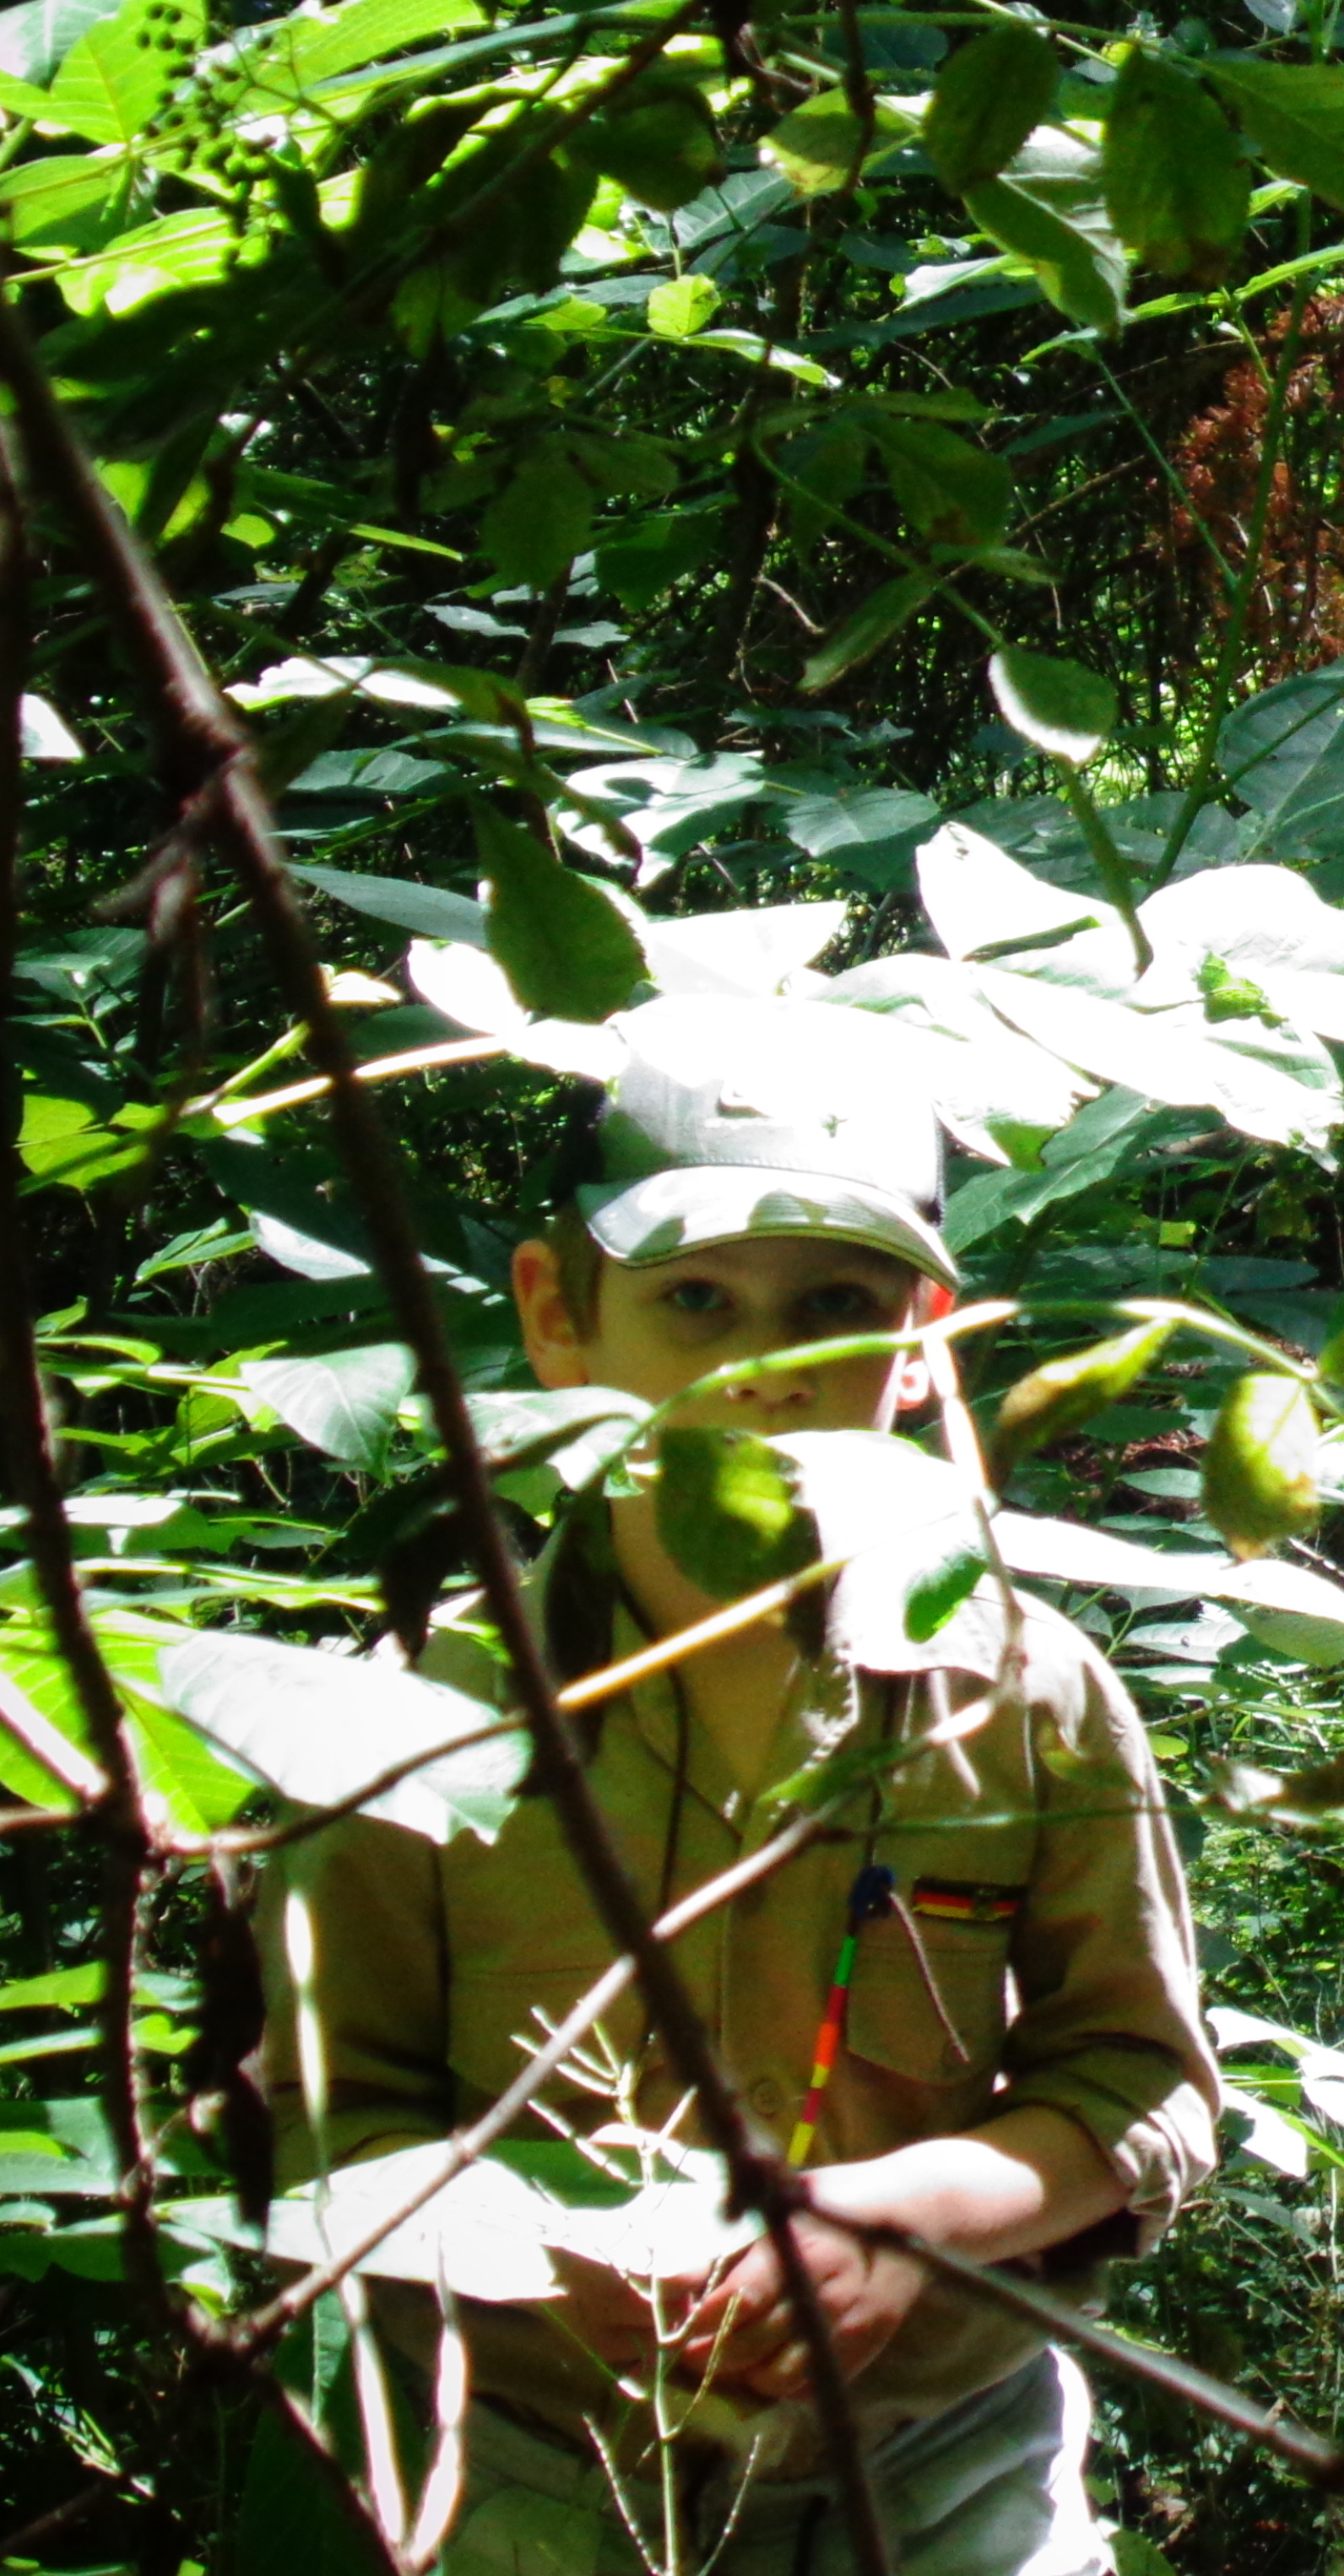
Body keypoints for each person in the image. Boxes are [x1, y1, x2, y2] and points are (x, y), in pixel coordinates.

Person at [257, 996, 1222, 2575]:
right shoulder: (414, 1717)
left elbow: (1142, 2086)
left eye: (833, 1304)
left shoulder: (1027, 1692)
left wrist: (906, 2213)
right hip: (512, 2470)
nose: (767, 1371)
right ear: (558, 1315)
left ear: (919, 1344)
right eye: (695, 1299)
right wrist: (596, 2246)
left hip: (942, 2471)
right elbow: (318, 2126)